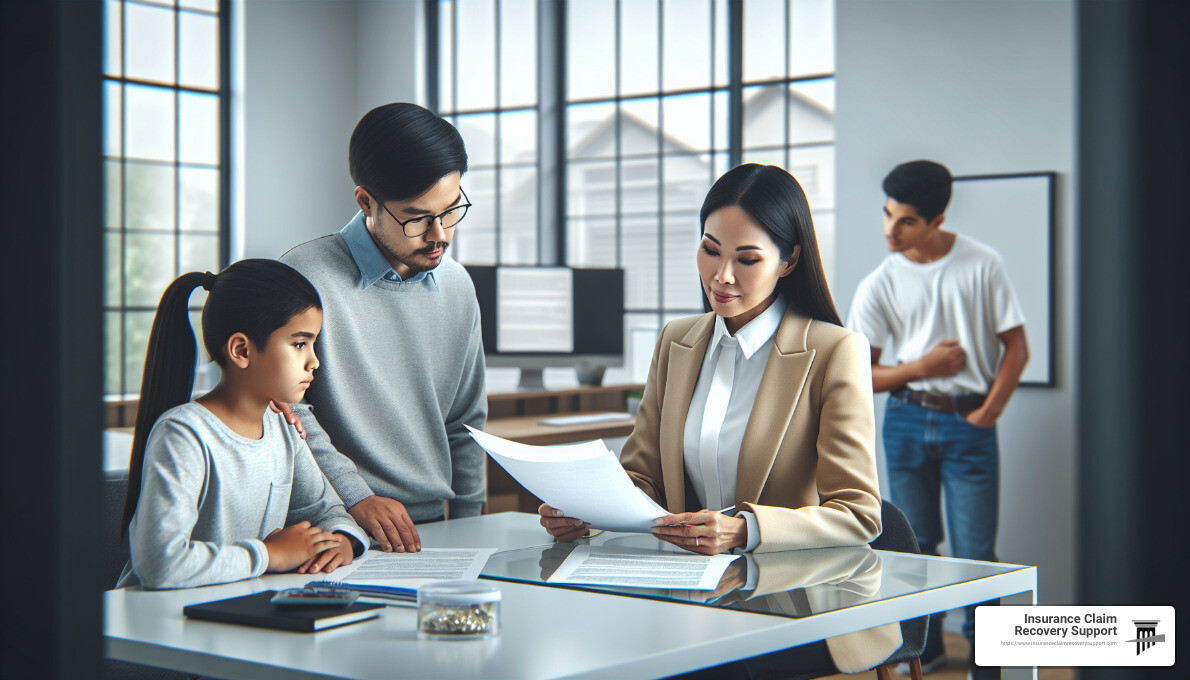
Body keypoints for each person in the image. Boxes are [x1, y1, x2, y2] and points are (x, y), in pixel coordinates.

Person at [538, 163, 889, 676]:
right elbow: (642, 477)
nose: (722, 276)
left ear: (789, 260)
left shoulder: (834, 351)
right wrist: (583, 509)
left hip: (795, 602)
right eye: (710, 250)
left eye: (747, 259)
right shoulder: (677, 340)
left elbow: (859, 514)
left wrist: (743, 531)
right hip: (687, 594)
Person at [846, 159, 1029, 676]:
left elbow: (1017, 348)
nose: (890, 230)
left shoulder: (982, 264)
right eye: (887, 214)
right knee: (916, 546)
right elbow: (861, 374)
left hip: (968, 422)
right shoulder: (879, 283)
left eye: (905, 221)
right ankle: (927, 649)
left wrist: (988, 413)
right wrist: (922, 367)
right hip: (905, 421)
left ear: (937, 221)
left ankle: (986, 661)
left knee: (976, 551)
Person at [277, 103, 486, 554]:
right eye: (417, 217)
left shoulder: (457, 286)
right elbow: (286, 409)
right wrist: (357, 497)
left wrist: (471, 525)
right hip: (330, 529)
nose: (439, 234)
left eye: (451, 210)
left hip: (430, 529)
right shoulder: (303, 277)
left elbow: (465, 421)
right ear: (366, 202)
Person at [117, 259, 368, 589]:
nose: (315, 361)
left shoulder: (282, 428)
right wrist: (270, 554)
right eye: (299, 344)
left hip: (236, 605)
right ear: (241, 350)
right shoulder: (184, 434)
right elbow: (160, 564)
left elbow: (329, 510)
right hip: (156, 613)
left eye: (313, 344)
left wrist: (342, 541)